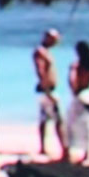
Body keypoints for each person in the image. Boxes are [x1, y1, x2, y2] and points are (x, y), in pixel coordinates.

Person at [66, 41, 89, 163]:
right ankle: (87, 152)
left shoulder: (76, 65)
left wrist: (74, 91)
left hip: (81, 95)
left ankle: (69, 151)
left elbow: (72, 80)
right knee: (87, 125)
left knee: (71, 123)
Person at [33, 28, 68, 160]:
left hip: (47, 89)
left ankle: (43, 147)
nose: (56, 42)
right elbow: (40, 72)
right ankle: (64, 149)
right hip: (47, 90)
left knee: (44, 120)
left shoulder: (46, 52)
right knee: (58, 120)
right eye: (54, 39)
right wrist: (47, 91)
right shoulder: (40, 52)